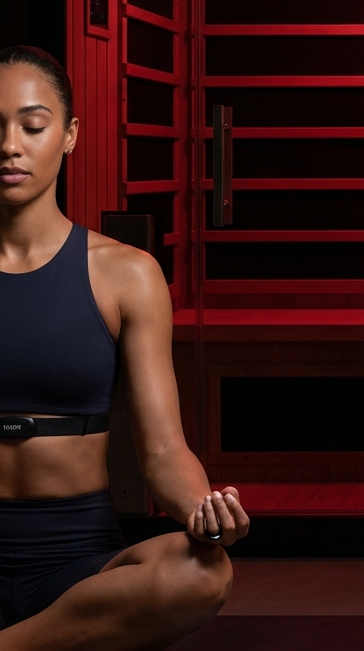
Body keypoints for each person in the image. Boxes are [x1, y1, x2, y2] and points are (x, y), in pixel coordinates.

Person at [0, 45, 248, 649]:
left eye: (32, 126)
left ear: (69, 136)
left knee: (200, 572)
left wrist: (203, 510)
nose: (10, 144)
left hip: (74, 562)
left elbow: (163, 450)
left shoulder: (126, 274)